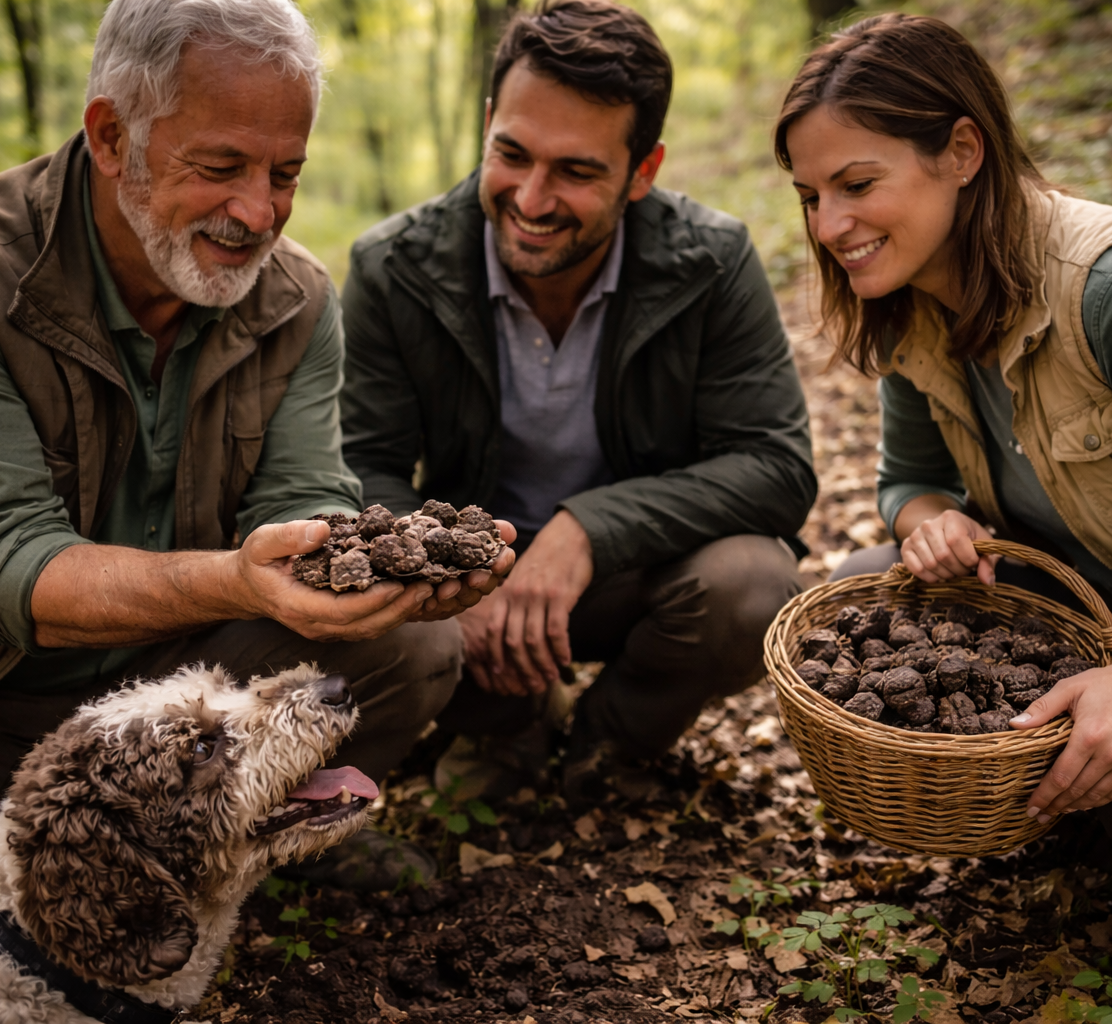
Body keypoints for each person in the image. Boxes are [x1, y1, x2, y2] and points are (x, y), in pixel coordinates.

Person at [0, 0, 513, 886]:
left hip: (181, 687)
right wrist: (238, 580)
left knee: (412, 648)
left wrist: (355, 563)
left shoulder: (298, 301)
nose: (259, 210)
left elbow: (302, 496)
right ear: (111, 135)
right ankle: (119, 854)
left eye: (286, 172)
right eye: (221, 166)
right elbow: (1, 568)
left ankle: (231, 850)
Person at [778, 13, 1112, 972]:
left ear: (963, 151)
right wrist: (931, 522)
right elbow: (909, 479)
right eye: (810, 195)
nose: (829, 226)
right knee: (865, 593)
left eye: (857, 185)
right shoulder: (916, 297)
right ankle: (1092, 798)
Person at [340, 0, 816, 803]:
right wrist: (451, 581)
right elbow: (359, 468)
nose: (531, 197)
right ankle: (505, 726)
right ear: (488, 122)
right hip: (475, 581)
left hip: (627, 579)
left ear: (644, 172)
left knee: (754, 583)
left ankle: (611, 740)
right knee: (374, 590)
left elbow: (775, 467)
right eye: (512, 153)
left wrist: (590, 528)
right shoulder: (393, 267)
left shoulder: (713, 261)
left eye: (576, 170)